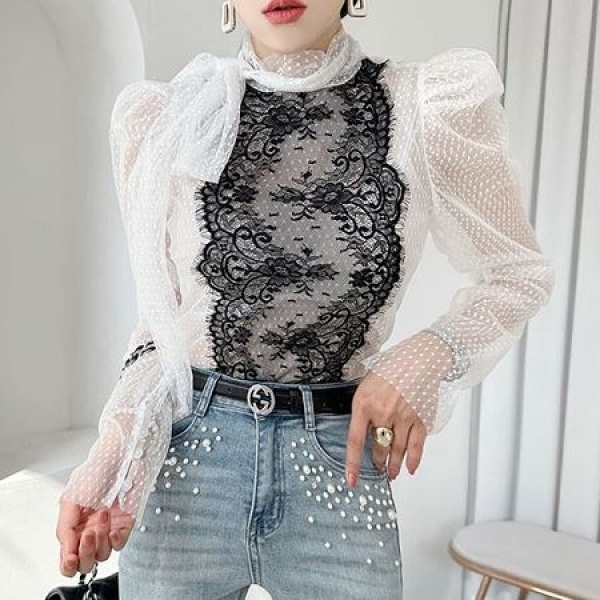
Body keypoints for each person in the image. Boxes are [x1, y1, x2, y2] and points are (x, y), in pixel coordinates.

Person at [55, 0, 555, 597]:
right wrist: (115, 452)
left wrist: (425, 357)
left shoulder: (427, 108)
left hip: (338, 471)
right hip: (188, 466)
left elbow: (517, 273)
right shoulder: (170, 117)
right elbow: (158, 328)